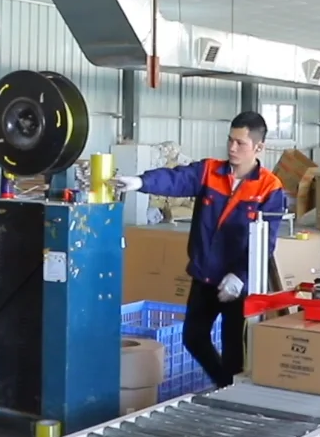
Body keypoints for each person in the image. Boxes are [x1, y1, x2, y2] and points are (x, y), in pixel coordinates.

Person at [110, 112, 287, 388]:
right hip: (205, 274)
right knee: (193, 337)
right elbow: (176, 179)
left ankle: (231, 393)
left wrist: (240, 276)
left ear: (259, 147)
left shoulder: (270, 188)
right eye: (230, 140)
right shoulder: (209, 171)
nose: (231, 148)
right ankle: (225, 386)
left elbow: (267, 241)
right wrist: (140, 182)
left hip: (238, 284)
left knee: (234, 351)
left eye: (240, 143)